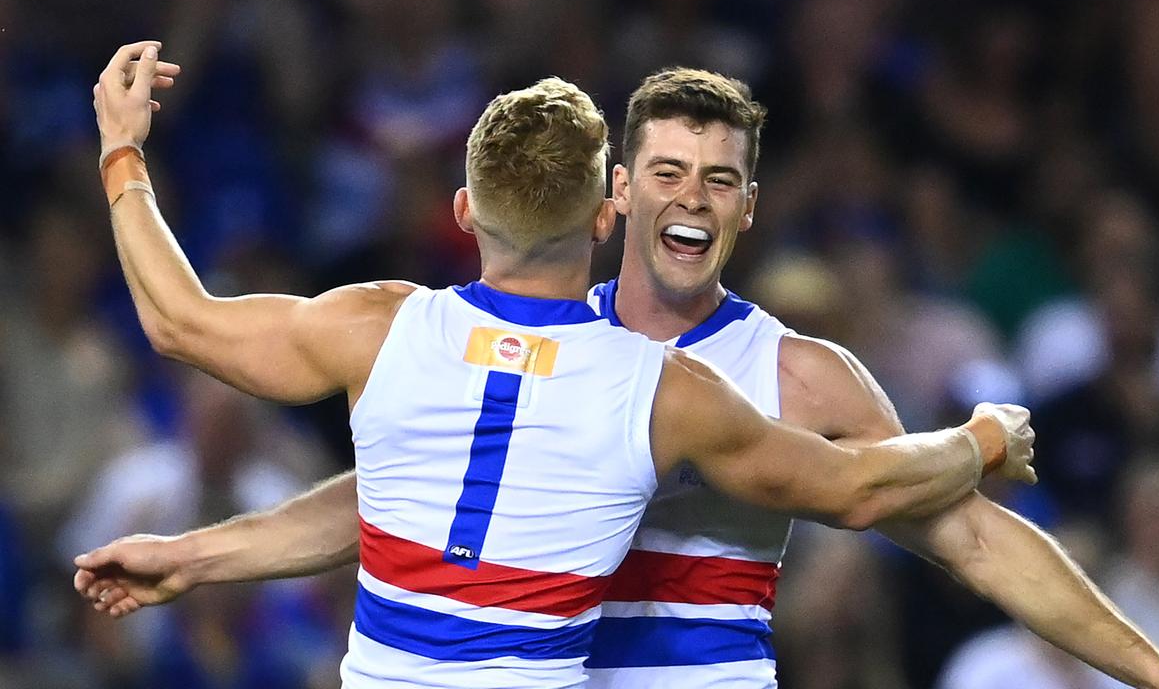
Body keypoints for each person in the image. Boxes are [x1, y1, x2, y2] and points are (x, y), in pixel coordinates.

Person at [79, 41, 1039, 689]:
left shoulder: (379, 328)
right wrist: (979, 438)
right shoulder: (661, 391)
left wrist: (123, 151)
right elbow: (863, 489)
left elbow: (181, 323)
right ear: (605, 214)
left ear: (462, 215)